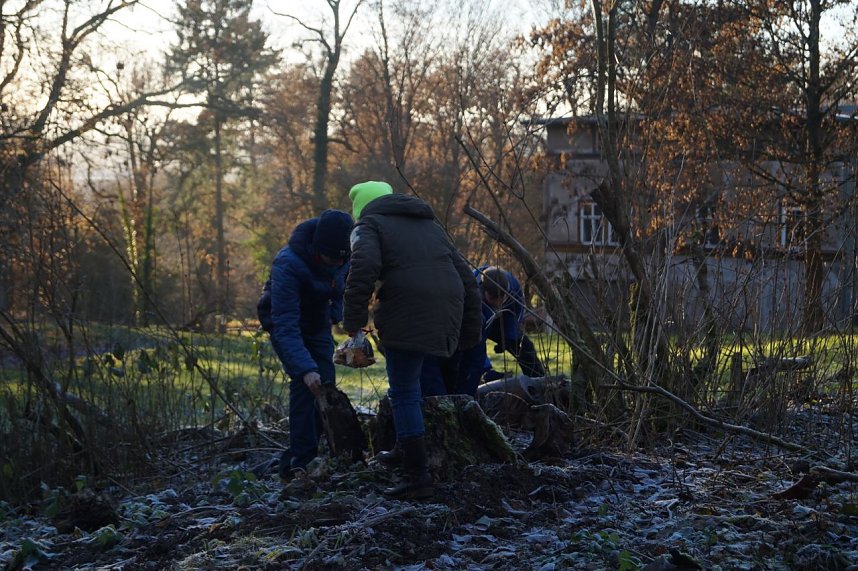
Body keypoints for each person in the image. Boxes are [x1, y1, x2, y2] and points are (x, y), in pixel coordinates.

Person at [343, 180, 481, 499]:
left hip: (407, 309)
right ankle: (403, 447)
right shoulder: (430, 227)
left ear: (361, 208)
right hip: (448, 309)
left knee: (403, 389)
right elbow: (467, 279)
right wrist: (468, 333)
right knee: (413, 384)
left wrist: (352, 323)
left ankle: (417, 475)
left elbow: (362, 268)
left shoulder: (368, 225)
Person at [266, 208, 354, 479]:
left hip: (317, 322)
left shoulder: (343, 257)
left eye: (342, 260)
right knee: (307, 387)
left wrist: (336, 314)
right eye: (332, 259)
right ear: (317, 249)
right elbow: (284, 325)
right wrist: (305, 368)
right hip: (287, 323)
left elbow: (343, 284)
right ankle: (299, 463)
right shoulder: (289, 264)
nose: (338, 265)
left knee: (325, 385)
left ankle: (319, 453)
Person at [454, 266, 546, 397]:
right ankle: (485, 374)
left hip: (504, 318)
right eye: (494, 300)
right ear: (484, 291)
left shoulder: (512, 285)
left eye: (502, 299)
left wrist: (509, 336)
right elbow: (474, 341)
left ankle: (539, 381)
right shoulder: (472, 290)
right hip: (480, 318)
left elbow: (518, 310)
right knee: (476, 348)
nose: (498, 303)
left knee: (525, 345)